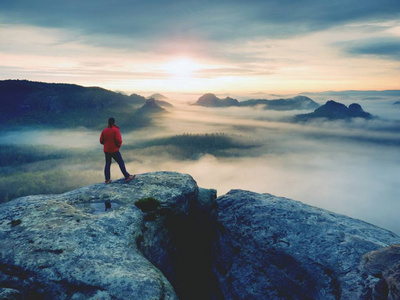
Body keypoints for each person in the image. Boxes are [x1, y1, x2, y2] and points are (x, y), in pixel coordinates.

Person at [100, 117, 135, 183]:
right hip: (114, 150)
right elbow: (118, 140)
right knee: (121, 162)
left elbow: (101, 141)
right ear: (114, 123)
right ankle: (127, 177)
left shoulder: (104, 131)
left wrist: (106, 144)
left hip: (106, 151)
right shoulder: (115, 130)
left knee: (107, 164)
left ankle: (107, 179)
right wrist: (118, 146)